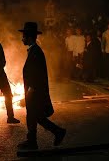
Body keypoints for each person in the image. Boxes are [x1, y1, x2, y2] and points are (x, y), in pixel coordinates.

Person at [17, 22, 66, 150]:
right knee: (35, 116)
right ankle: (56, 133)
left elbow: (35, 77)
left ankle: (35, 140)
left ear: (29, 37)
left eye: (23, 36)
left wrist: (27, 95)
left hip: (35, 92)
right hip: (35, 91)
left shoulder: (35, 52)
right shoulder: (34, 51)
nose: (22, 38)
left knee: (34, 116)